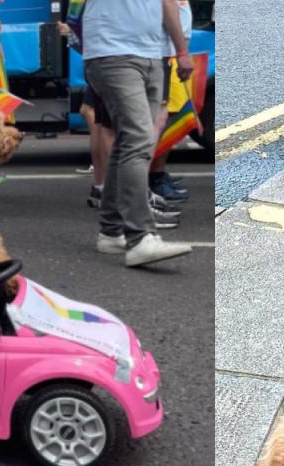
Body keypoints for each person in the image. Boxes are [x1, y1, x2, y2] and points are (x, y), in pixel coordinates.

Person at [83, 0, 194, 267]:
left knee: (128, 142)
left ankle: (111, 231)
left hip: (153, 52)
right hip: (112, 52)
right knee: (138, 139)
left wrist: (181, 50)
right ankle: (140, 236)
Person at [148, 0, 193, 203]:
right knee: (162, 118)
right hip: (166, 52)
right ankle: (153, 178)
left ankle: (156, 174)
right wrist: (182, 52)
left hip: (170, 51)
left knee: (166, 117)